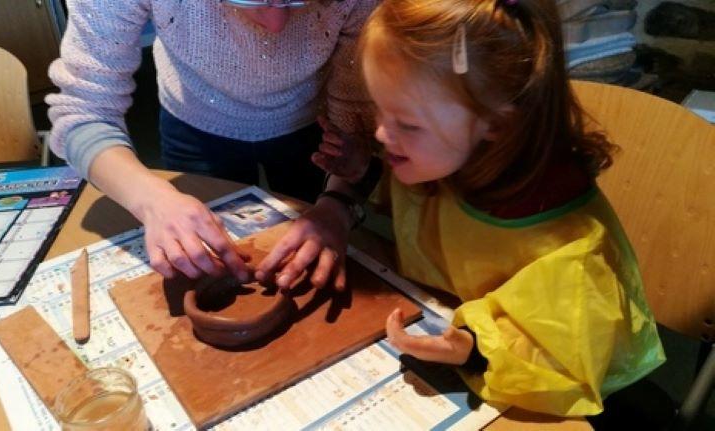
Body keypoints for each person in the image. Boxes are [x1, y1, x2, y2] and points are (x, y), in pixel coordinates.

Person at [256, 0, 666, 416]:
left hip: (543, 394)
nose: (381, 131)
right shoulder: (456, 150)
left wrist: (473, 347)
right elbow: (420, 208)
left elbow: (557, 356)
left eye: (408, 124)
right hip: (441, 320)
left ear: (498, 125)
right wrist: (367, 171)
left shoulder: (569, 244)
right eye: (380, 109)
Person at [46, 0, 377, 282]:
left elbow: (357, 112)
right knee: (195, 251)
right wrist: (152, 200)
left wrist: (339, 202)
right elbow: (84, 111)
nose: (276, 24)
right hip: (194, 116)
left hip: (310, 122)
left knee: (312, 251)